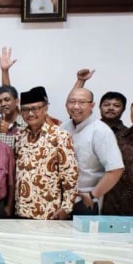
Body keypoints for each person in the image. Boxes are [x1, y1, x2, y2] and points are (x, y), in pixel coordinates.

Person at [15, 87, 78, 220]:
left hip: (49, 213)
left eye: (35, 108)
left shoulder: (60, 136)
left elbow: (70, 175)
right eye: (25, 109)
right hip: (21, 212)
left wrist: (66, 208)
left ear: (45, 108)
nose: (30, 113)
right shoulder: (20, 136)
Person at [62, 88, 124, 215]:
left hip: (85, 201)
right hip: (62, 200)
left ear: (92, 105)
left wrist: (92, 195)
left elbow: (116, 169)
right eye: (72, 102)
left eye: (82, 102)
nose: (76, 106)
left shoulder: (100, 131)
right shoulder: (64, 128)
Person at [74, 69, 128, 133]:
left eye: (116, 106)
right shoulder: (88, 127)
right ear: (100, 106)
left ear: (123, 109)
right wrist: (81, 81)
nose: (111, 108)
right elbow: (74, 105)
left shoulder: (129, 134)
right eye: (106, 104)